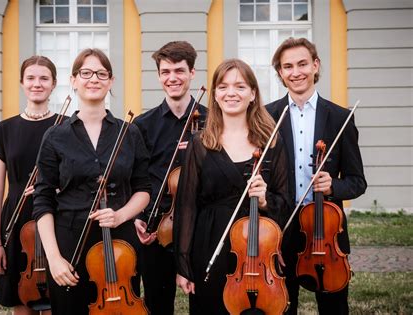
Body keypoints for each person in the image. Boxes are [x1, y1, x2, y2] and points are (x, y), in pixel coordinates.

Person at [32, 48, 151, 315]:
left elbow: (144, 189)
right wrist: (54, 258)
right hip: (69, 240)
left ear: (110, 82)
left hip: (121, 246)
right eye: (85, 73)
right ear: (73, 80)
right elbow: (43, 199)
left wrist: (120, 215)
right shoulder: (55, 136)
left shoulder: (129, 133)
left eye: (101, 73)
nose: (93, 79)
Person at [174, 58, 290, 314]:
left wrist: (264, 200)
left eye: (239, 86)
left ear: (252, 94)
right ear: (215, 94)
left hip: (256, 251)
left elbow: (285, 201)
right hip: (209, 244)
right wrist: (183, 264)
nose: (231, 93)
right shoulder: (200, 142)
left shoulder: (271, 141)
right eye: (223, 86)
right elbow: (187, 205)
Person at [266, 37, 367, 314]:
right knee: (283, 307)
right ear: (280, 73)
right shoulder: (266, 117)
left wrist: (333, 185)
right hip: (282, 229)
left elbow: (358, 182)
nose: (295, 72)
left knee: (333, 307)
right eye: (288, 66)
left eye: (302, 64)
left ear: (315, 65)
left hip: (326, 231)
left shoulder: (339, 117)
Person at [133, 40, 207, 315]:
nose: (172, 78)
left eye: (179, 70)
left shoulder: (213, 121)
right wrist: (139, 217)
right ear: (159, 76)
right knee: (157, 304)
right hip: (157, 229)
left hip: (202, 228)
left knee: (204, 304)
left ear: (192, 73)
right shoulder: (142, 125)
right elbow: (136, 179)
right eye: (165, 72)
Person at [0, 55, 58, 314]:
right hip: (16, 220)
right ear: (21, 83)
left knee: (57, 301)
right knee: (21, 301)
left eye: (43, 78)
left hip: (57, 217)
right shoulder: (4, 130)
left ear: (54, 84)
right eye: (30, 78)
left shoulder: (66, 126)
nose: (36, 84)